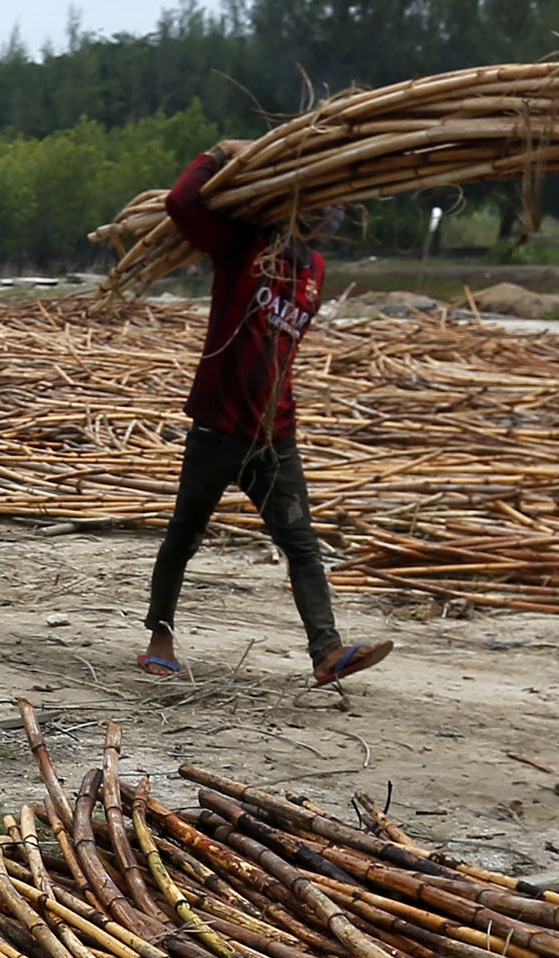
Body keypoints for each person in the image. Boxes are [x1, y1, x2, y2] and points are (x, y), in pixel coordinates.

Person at [140, 146, 389, 688]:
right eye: (318, 212)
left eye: (331, 217)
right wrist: (219, 154)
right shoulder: (243, 247)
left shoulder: (315, 271)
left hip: (275, 435)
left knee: (301, 544)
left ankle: (326, 651)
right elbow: (181, 203)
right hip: (218, 427)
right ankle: (160, 638)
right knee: (184, 535)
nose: (324, 225)